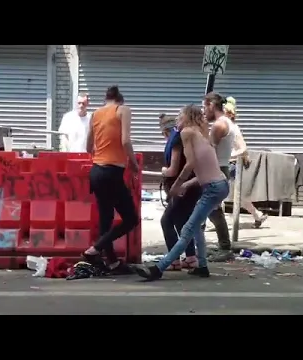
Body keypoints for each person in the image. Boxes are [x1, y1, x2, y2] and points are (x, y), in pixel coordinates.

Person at [136, 105, 229, 281]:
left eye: (180, 115)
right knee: (196, 229)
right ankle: (201, 266)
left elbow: (190, 164)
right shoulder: (202, 133)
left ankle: (158, 269)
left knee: (187, 229)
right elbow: (207, 168)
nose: (177, 118)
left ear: (187, 117)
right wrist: (186, 184)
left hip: (212, 188)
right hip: (219, 184)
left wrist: (178, 185)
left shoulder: (187, 132)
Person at [82, 85, 139, 274]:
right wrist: (133, 163)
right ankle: (94, 250)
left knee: (106, 219)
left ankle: (111, 262)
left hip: (96, 172)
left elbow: (88, 145)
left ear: (105, 100)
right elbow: (125, 141)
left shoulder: (96, 114)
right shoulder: (123, 110)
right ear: (120, 100)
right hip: (112, 171)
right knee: (131, 218)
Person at [159, 114, 201, 270]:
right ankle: (190, 258)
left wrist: (164, 171)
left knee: (167, 221)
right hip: (190, 187)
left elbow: (172, 170)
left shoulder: (176, 140)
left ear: (164, 131)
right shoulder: (182, 138)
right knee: (182, 221)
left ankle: (174, 260)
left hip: (182, 188)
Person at [224, 97, 268, 228]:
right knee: (238, 196)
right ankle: (258, 215)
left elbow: (243, 148)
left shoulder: (233, 128)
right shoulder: (225, 126)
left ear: (230, 114)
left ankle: (213, 222)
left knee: (217, 193)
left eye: (224, 111)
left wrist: (227, 156)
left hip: (230, 165)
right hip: (228, 164)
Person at [203, 92, 234, 263]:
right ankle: (200, 247)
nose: (203, 111)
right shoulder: (226, 122)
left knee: (213, 210)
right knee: (208, 209)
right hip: (220, 167)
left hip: (216, 168)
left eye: (204, 107)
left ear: (211, 105)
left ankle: (225, 247)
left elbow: (210, 151)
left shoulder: (219, 125)